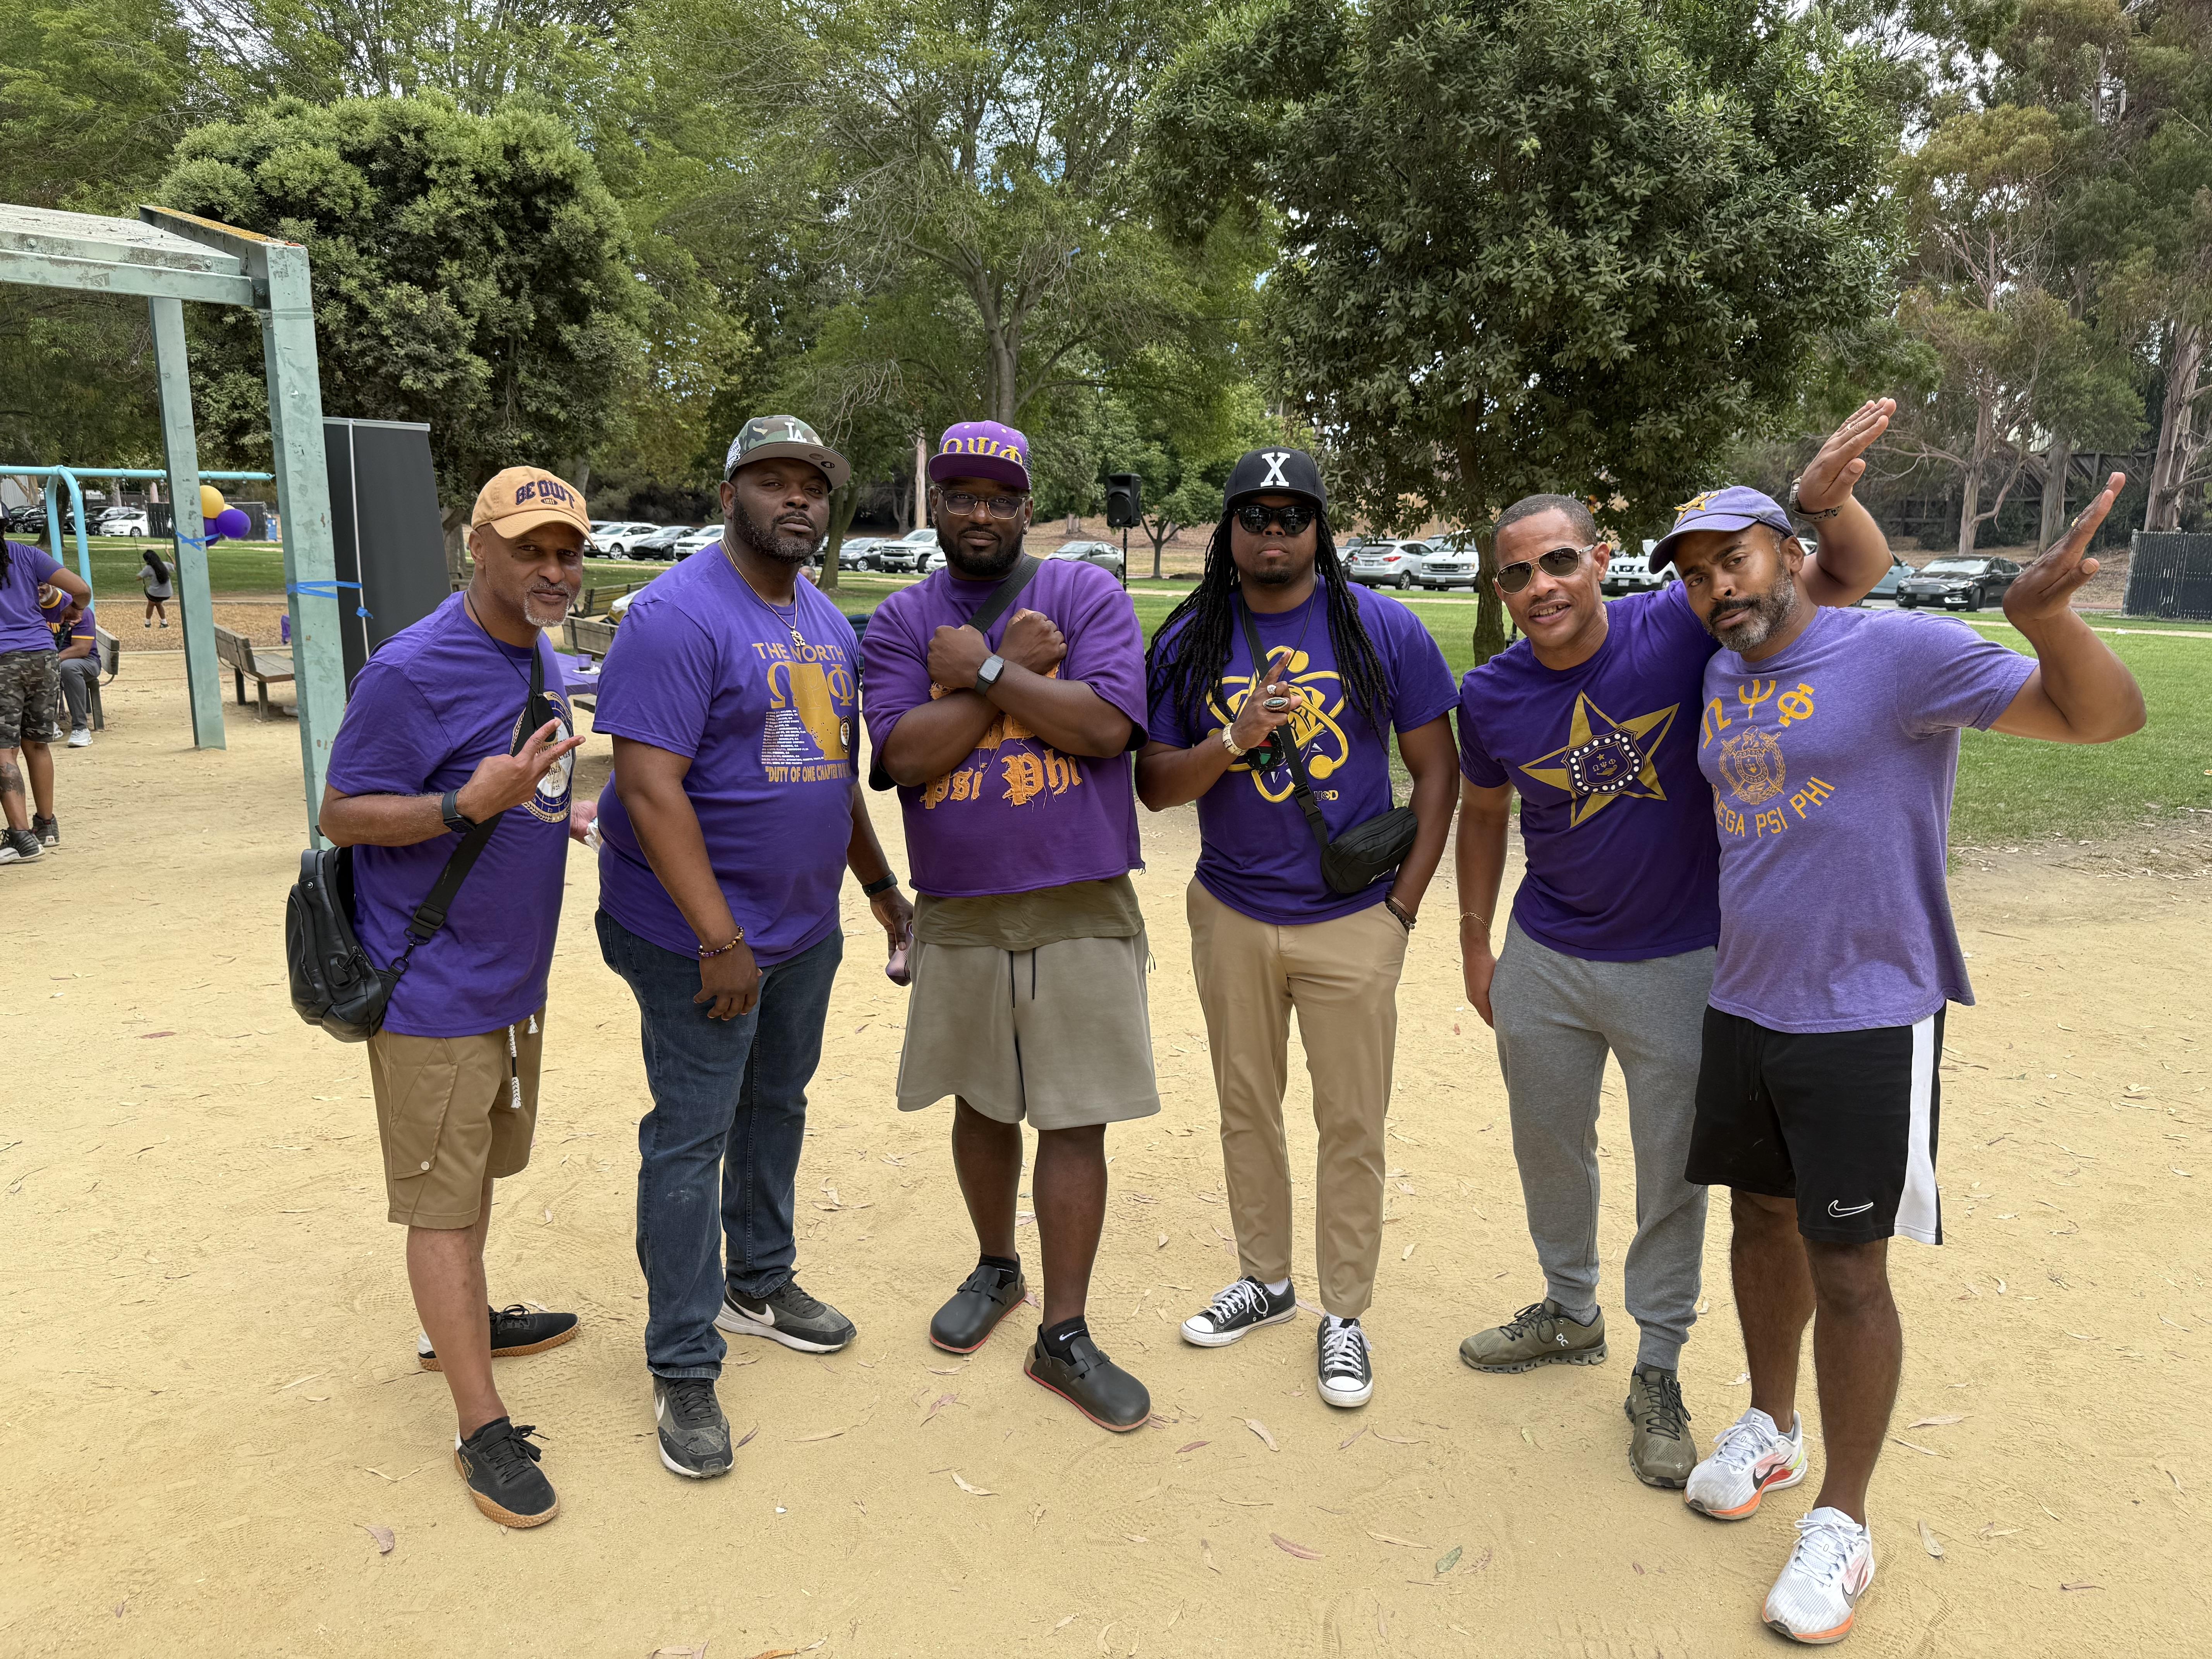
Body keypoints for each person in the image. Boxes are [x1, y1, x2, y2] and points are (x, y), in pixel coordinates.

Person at [1668, 474, 2143, 1644]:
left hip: (1868, 1014)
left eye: (1733, 559)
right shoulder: (1721, 674)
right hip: (1745, 999)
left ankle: (1843, 1519)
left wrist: (2046, 621)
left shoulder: (1899, 653)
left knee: (1848, 1268)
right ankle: (1772, 1428)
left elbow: (2103, 720)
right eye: (1694, 573)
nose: (1716, 587)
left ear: (1787, 554)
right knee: (1758, 1223)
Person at [1452, 404, 1898, 1487]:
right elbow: (1481, 812)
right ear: (1500, 590)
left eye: (1560, 560)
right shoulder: (1491, 694)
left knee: (1672, 1177)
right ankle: (1569, 1308)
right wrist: (1476, 944)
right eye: (1518, 574)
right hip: (1546, 955)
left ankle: (1657, 1367)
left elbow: (1847, 577)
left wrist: (1825, 503)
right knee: (1548, 1145)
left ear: (1600, 559)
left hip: (1683, 960)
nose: (1542, 586)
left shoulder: (1681, 621)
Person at [593, 416, 912, 1480]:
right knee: (692, 1138)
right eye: (772, 480)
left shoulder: (823, 619)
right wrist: (717, 937)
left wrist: (880, 890)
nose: (797, 498)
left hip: (803, 927)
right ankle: (683, 1358)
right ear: (729, 494)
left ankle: (759, 1280)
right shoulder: (676, 616)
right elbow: (648, 788)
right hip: (696, 937)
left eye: (812, 483)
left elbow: (829, 771)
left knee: (778, 1104)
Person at [1137, 448, 1458, 1410]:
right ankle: (1266, 1280)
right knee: (1247, 1107)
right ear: (1228, 528)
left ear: (1320, 529)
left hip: (1353, 918)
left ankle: (1344, 1312)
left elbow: (1438, 773)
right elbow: (1155, 786)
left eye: (1292, 516)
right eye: (1255, 516)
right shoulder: (1191, 636)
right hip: (1232, 910)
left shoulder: (1381, 626)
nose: (1272, 533)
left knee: (1351, 1122)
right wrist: (1232, 739)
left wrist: (1403, 910)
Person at [862, 419, 1158, 1432]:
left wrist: (981, 674)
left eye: (999, 497)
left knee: (1074, 1116)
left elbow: (1104, 729)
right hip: (959, 905)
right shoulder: (902, 620)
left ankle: (1064, 1334)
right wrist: (1018, 670)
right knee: (981, 1102)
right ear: (937, 506)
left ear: (1027, 508)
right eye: (961, 495)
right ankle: (998, 1266)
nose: (980, 512)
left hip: (1081, 897)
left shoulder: (1087, 596)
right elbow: (907, 757)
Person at [319, 466, 596, 1530]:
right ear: (476, 548)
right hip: (432, 986)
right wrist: (461, 805)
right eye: (530, 550)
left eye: (566, 552)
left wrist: (553, 812)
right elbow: (342, 813)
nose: (553, 570)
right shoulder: (413, 668)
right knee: (441, 1202)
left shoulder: (535, 649)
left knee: (475, 1171)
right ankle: (481, 1423)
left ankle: (464, 1323)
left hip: (508, 978)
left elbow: (519, 782)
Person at [0, 536, 91, 861]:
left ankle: (20, 838)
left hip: (3, 661)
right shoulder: (25, 553)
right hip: (43, 655)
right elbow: (81, 589)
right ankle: (46, 826)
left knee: (3, 750)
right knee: (37, 744)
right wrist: (74, 609)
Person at [43, 584, 100, 747]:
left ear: (52, 584)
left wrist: (52, 660)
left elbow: (82, 649)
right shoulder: (30, 608)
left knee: (67, 668)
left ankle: (81, 729)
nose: (37, 589)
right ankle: (46, 724)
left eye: (41, 584)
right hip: (50, 659)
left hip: (85, 661)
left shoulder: (76, 607)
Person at [139, 548, 172, 629]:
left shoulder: (149, 568)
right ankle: (164, 623)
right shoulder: (165, 564)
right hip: (167, 593)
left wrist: (143, 578)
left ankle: (147, 623)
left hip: (155, 594)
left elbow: (139, 577)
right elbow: (175, 565)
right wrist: (169, 555)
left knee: (151, 604)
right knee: (158, 604)